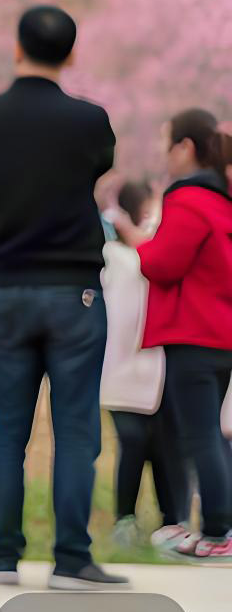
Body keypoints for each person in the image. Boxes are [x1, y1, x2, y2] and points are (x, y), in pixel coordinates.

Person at [0, 4, 127, 590]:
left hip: (5, 288)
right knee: (76, 429)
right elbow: (98, 171)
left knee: (8, 428)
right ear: (72, 54)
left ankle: (3, 558)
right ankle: (72, 560)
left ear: (16, 48)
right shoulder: (89, 120)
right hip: (73, 292)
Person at [118, 109, 232, 561]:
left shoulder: (189, 201)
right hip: (221, 333)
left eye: (167, 144)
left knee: (200, 435)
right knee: (213, 435)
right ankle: (220, 528)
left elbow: (161, 263)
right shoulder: (223, 201)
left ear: (185, 148)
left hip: (194, 335)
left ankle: (218, 532)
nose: (164, 156)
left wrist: (139, 244)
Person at [103, 180, 189, 550]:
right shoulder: (114, 258)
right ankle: (126, 519)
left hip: (159, 367)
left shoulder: (151, 255)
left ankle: (172, 523)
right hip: (124, 369)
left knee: (166, 446)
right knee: (136, 441)